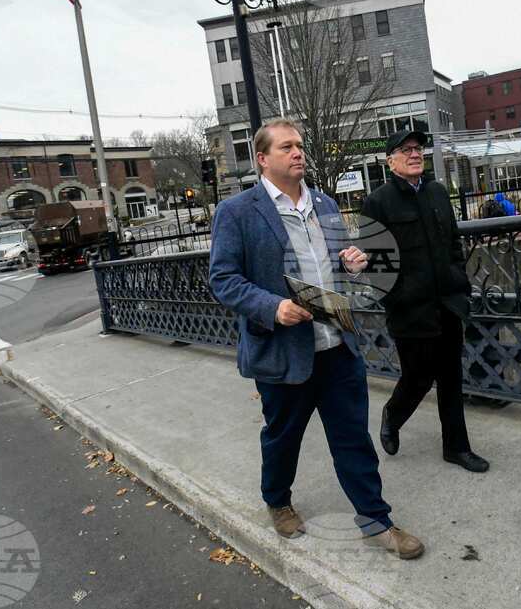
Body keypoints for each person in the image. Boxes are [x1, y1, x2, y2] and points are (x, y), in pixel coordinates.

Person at [208, 118, 425, 560]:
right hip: (283, 351)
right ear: (262, 159)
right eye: (287, 147)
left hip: (337, 346)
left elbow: (337, 265)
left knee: (353, 439)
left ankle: (376, 520)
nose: (298, 153)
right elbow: (223, 279)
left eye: (300, 146)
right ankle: (278, 500)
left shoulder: (324, 203)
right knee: (283, 436)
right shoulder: (237, 211)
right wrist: (273, 307)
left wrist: (352, 262)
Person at [361, 130, 490, 474]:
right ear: (390, 161)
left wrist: (459, 284)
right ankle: (393, 415)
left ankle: (456, 447)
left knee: (451, 377)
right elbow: (378, 269)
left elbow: (454, 244)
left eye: (418, 148)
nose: (415, 154)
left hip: (447, 303)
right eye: (405, 150)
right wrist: (399, 301)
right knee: (417, 377)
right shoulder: (378, 202)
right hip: (410, 310)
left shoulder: (437, 192)